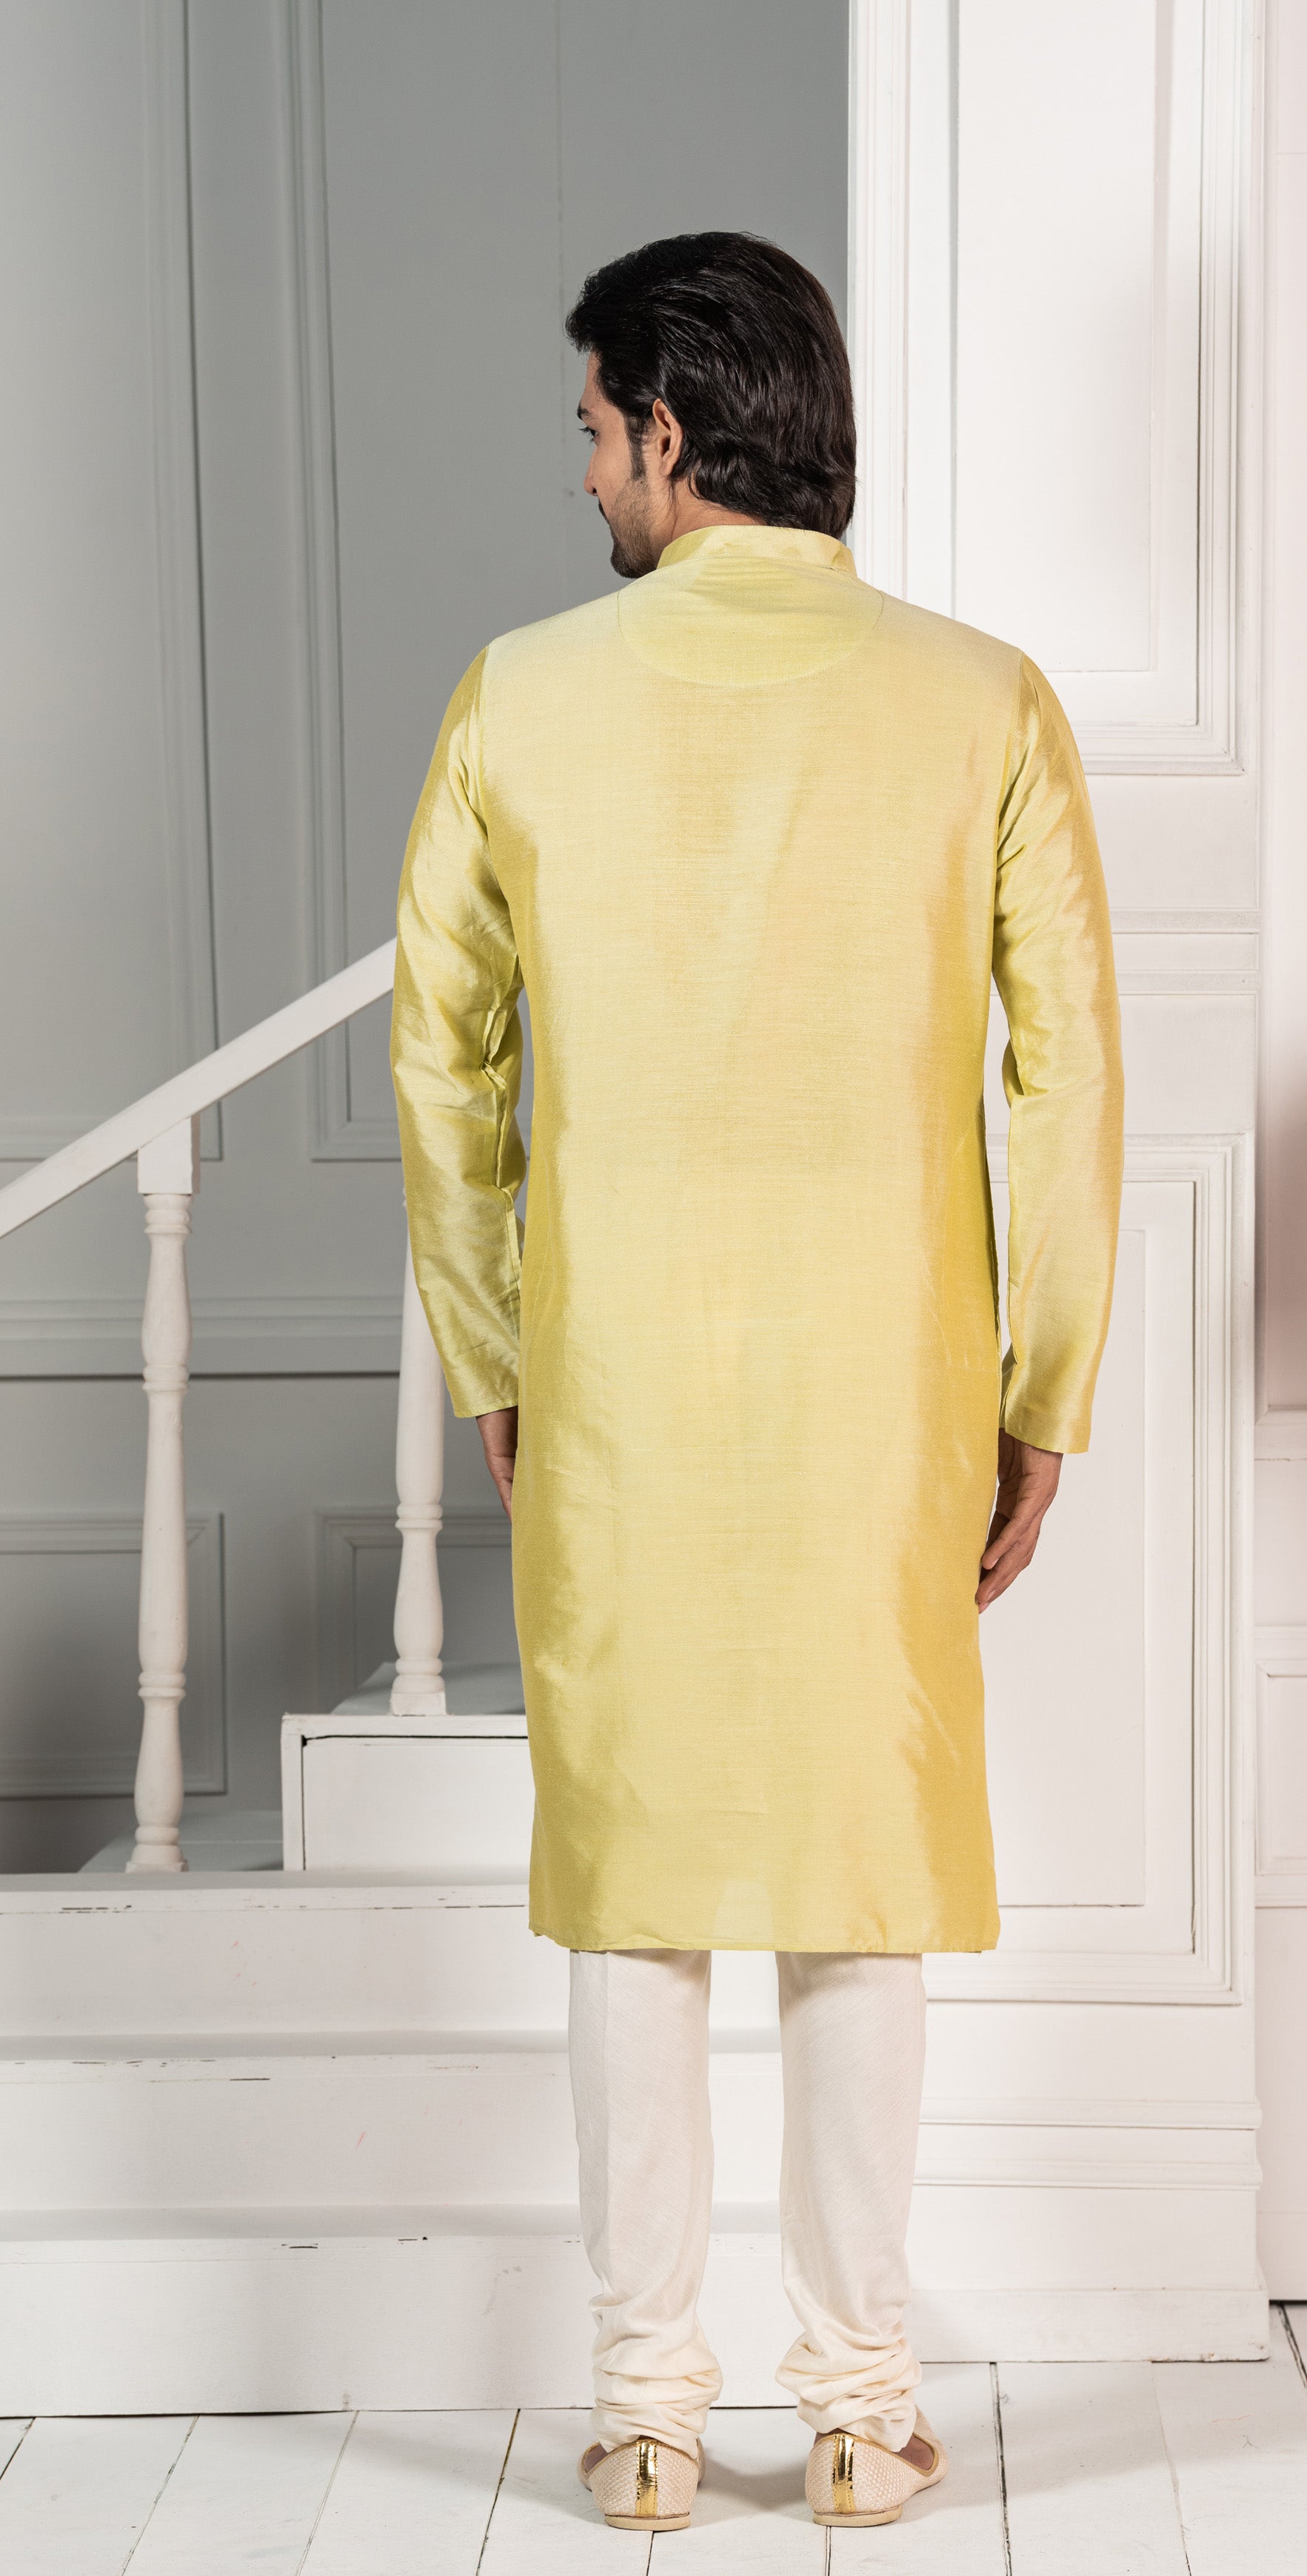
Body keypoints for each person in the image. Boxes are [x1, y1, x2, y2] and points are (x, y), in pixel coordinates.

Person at [390, 232, 1123, 2535]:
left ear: (672, 430)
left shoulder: (519, 697)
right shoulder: (984, 701)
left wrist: (496, 1345)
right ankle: (862, 2410)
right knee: (851, 1874)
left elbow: (442, 1066)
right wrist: (1044, 1391)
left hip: (617, 1385)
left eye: (595, 431)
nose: (586, 473)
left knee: (635, 1877)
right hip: (890, 1393)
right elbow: (1067, 1084)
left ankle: (639, 2409)